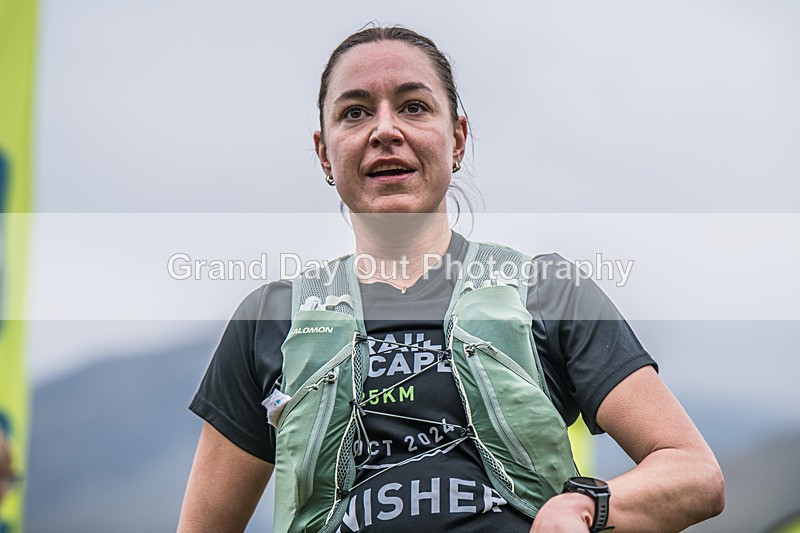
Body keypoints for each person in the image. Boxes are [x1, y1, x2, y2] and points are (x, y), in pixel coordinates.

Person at [178, 26, 724, 532]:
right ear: (325, 153)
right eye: (354, 113)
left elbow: (694, 474)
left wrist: (583, 504)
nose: (384, 129)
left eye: (414, 107)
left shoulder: (548, 291)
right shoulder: (269, 320)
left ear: (457, 140)